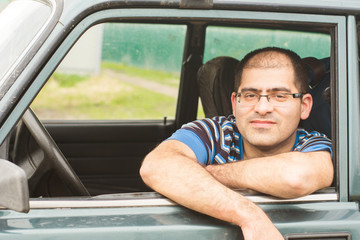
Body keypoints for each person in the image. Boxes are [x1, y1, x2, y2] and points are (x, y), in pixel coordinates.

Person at [140, 47, 333, 240]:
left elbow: (294, 177)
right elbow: (156, 166)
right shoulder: (215, 132)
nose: (262, 108)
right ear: (234, 102)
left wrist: (203, 172)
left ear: (305, 106)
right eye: (250, 95)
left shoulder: (314, 143)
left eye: (279, 96)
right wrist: (250, 217)